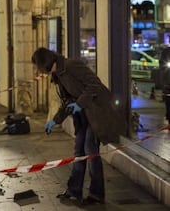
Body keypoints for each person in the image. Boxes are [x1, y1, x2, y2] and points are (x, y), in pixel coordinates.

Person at [31, 47, 126, 205]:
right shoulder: (58, 75)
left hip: (97, 112)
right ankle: (74, 189)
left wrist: (80, 103)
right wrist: (55, 121)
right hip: (84, 116)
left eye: (37, 66)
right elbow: (67, 102)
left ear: (44, 62)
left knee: (90, 150)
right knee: (79, 150)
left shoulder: (71, 66)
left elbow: (95, 84)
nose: (37, 70)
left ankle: (97, 194)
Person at [158, 47, 170, 124]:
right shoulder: (166, 51)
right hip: (168, 79)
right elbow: (162, 63)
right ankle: (168, 114)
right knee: (168, 97)